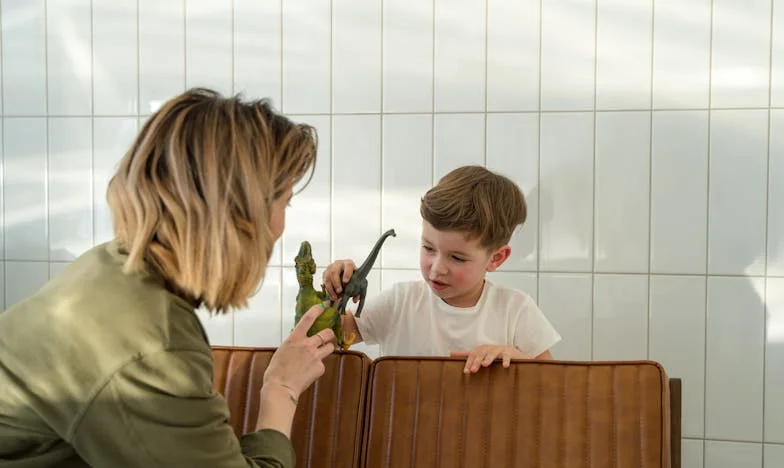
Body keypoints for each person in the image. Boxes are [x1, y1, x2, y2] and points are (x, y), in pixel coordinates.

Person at [0, 88, 336, 467]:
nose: (280, 227)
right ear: (239, 212)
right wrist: (282, 388)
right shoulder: (150, 344)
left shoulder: (105, 268)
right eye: (283, 203)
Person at [322, 165, 561, 374]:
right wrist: (334, 295)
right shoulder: (400, 303)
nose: (437, 268)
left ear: (496, 258)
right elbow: (329, 336)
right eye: (428, 248)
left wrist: (519, 361)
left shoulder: (516, 311)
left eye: (457, 258)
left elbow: (551, 386)